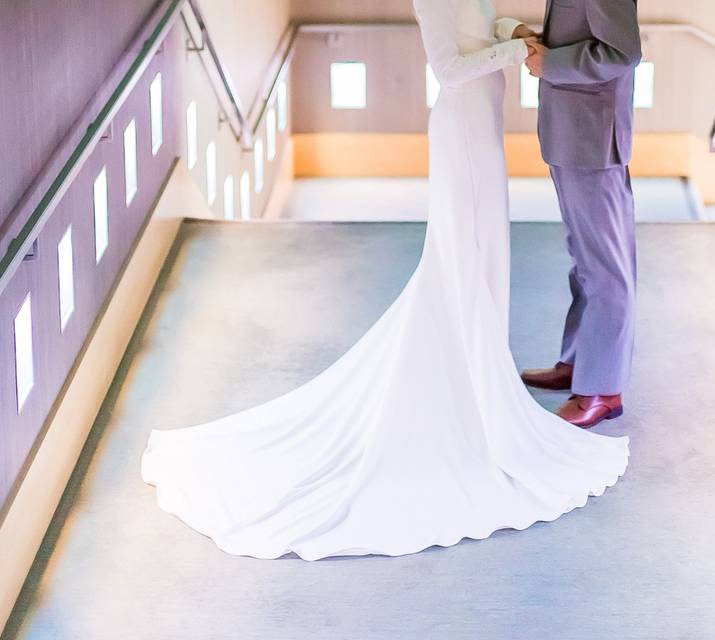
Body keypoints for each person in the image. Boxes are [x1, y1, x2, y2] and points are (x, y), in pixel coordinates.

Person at [141, 0, 629, 561]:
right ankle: (471, 394)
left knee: (488, 259)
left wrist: (508, 30)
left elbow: (473, 30)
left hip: (484, 125)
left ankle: (481, 376)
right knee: (466, 261)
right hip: (463, 132)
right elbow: (448, 67)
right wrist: (518, 50)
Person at [521, 0, 642, 429]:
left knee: (606, 269)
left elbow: (622, 52)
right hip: (572, 132)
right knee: (585, 262)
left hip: (591, 138)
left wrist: (551, 62)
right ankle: (579, 365)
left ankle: (603, 390)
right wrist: (540, 45)